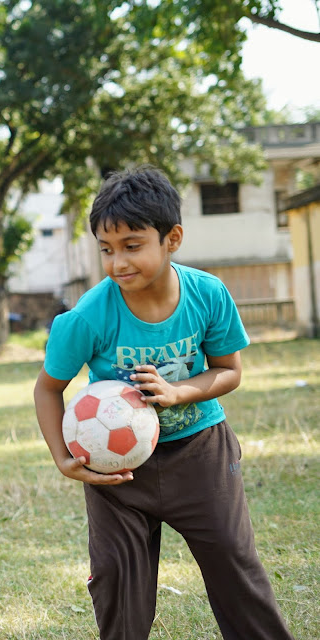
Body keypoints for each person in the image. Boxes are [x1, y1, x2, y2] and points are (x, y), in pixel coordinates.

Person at [33, 167, 294, 640]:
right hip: (119, 472)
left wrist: (179, 392)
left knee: (235, 564)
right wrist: (63, 459)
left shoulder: (207, 294)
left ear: (171, 238)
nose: (118, 263)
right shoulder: (87, 316)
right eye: (106, 250)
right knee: (116, 577)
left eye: (132, 245)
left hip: (201, 453)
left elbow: (229, 370)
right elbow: (48, 388)